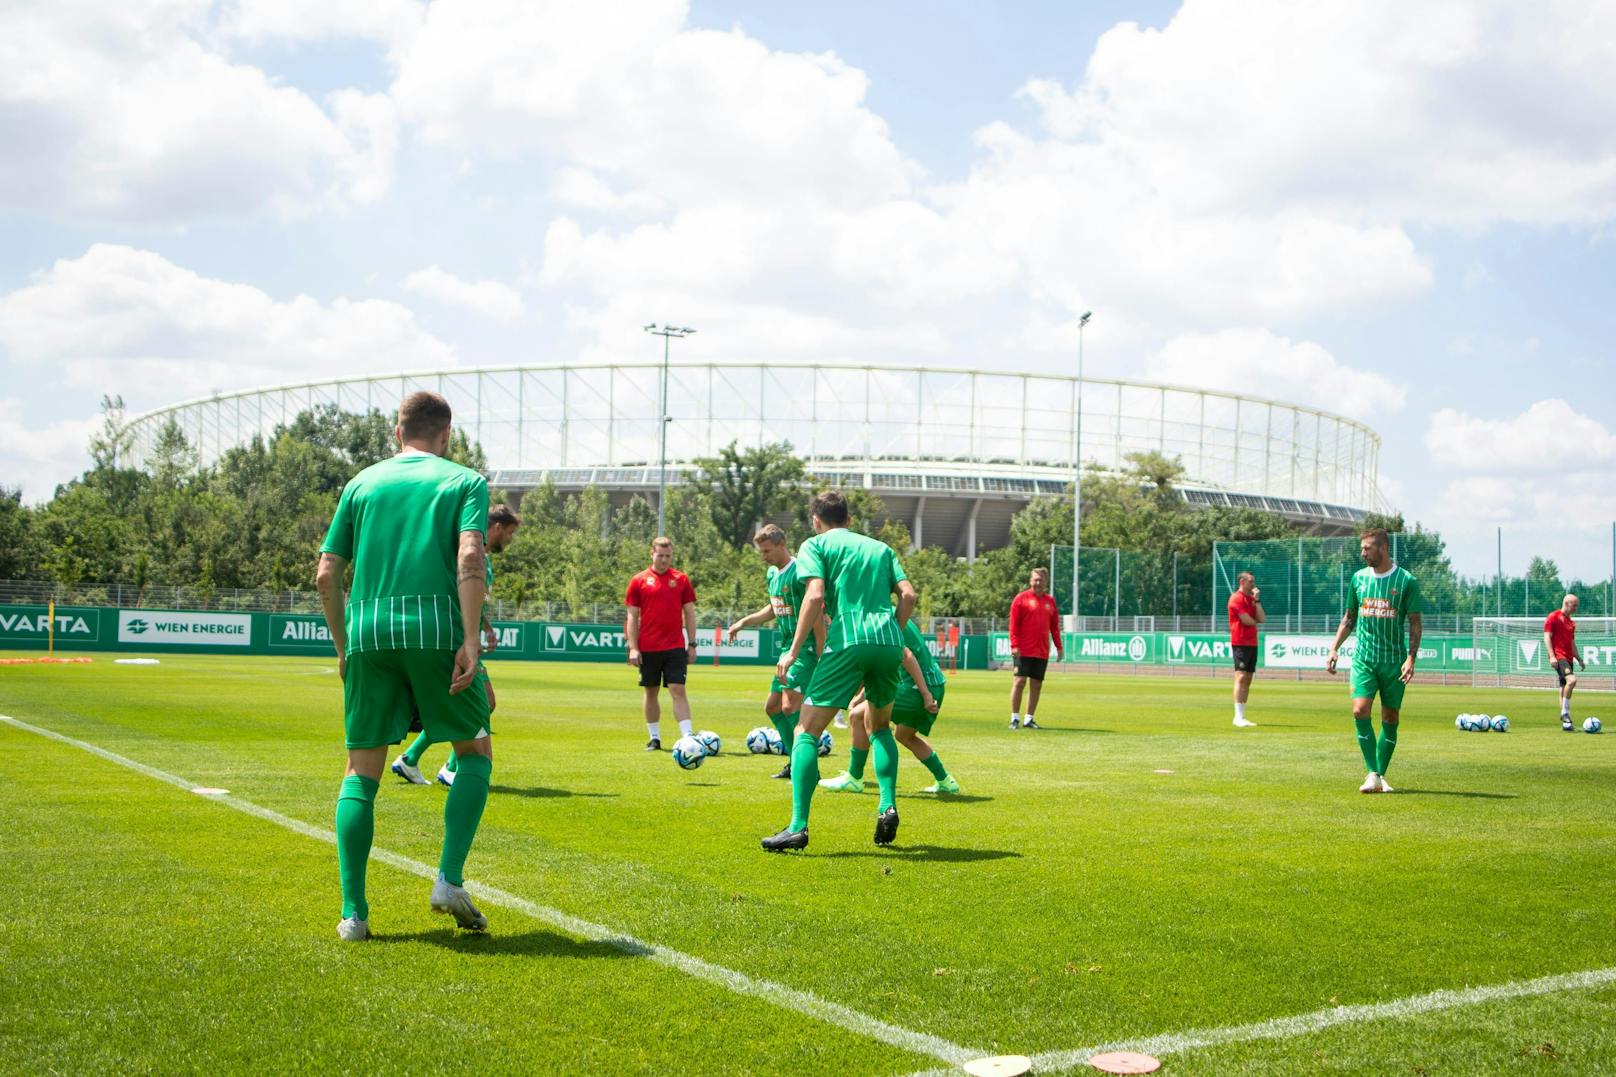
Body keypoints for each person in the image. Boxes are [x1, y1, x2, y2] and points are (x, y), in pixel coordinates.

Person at [314, 391, 495, 941]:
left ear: (398, 433)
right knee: (474, 749)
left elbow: (326, 575)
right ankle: (449, 880)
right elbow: (469, 556)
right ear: (446, 435)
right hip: (435, 628)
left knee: (359, 771)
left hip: (369, 631)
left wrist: (345, 647)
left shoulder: (360, 484)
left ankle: (354, 914)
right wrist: (470, 637)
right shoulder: (464, 481)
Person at [762, 490, 917, 851]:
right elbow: (908, 595)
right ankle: (887, 805)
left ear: (816, 521)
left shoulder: (816, 545)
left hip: (846, 639)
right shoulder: (881, 548)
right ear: (849, 519)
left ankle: (798, 826)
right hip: (889, 642)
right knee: (879, 727)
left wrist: (794, 651)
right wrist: (892, 630)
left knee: (805, 730)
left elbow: (815, 597)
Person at [391, 504, 521, 785]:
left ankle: (411, 759)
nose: (510, 540)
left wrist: (486, 627)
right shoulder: (470, 554)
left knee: (465, 704)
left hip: (464, 638)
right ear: (496, 528)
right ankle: (450, 766)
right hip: (458, 640)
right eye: (510, 533)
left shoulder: (480, 557)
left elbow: (474, 599)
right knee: (483, 703)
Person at [1326, 528, 1423, 795]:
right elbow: (1349, 617)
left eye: (1367, 548)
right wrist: (1334, 648)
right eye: (1362, 548)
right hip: (1364, 659)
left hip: (1394, 660)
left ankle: (1378, 774)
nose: (1362, 553)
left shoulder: (1406, 581)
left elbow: (1415, 623)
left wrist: (1411, 658)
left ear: (1383, 548)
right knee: (1359, 710)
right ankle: (1373, 772)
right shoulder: (1358, 579)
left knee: (1390, 716)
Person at [726, 524, 827, 780]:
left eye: (767, 551)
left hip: (802, 650)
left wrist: (820, 649)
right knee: (772, 707)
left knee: (790, 707)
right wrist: (743, 622)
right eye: (761, 552)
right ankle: (797, 763)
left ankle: (806, 768)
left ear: (782, 544)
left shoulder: (800, 572)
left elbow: (815, 610)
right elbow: (773, 608)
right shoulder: (772, 574)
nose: (764, 557)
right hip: (786, 650)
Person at [821, 617, 956, 795]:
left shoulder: (878, 619)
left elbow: (906, 655)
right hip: (933, 683)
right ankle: (946, 781)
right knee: (904, 735)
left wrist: (925, 694)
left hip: (918, 687)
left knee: (858, 716)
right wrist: (862, 695)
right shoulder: (889, 613)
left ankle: (854, 778)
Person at [626, 536, 698, 751]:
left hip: (675, 645)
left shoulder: (681, 579)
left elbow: (689, 612)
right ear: (652, 554)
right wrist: (633, 647)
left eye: (668, 556)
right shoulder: (638, 581)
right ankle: (654, 738)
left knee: (678, 688)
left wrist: (692, 643)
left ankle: (688, 737)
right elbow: (632, 616)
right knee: (651, 691)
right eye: (661, 555)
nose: (664, 560)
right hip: (648, 647)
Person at [1008, 567, 1062, 729]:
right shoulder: (1021, 599)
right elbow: (1013, 625)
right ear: (1030, 581)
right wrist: (1014, 645)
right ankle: (1014, 718)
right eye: (1035, 579)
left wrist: (1059, 647)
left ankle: (1028, 719)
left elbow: (1055, 627)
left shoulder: (1050, 601)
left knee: (1036, 684)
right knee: (1019, 681)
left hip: (1041, 651)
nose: (1038, 583)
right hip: (1022, 650)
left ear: (1045, 582)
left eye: (1041, 580)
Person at [1228, 571, 1265, 727]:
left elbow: (1261, 618)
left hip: (1252, 643)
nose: (1253, 584)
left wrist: (1257, 601)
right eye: (1251, 581)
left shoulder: (1251, 599)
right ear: (1242, 581)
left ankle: (1242, 716)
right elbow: (1248, 621)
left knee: (1248, 678)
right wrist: (1254, 619)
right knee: (1241, 676)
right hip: (1240, 642)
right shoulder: (1236, 599)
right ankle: (1237, 717)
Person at [1545, 593, 1584, 732]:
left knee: (1563, 687)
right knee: (1572, 681)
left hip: (1568, 658)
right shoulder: (1553, 617)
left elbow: (1572, 642)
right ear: (1567, 604)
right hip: (1559, 656)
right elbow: (1547, 637)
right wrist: (1552, 656)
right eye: (1574, 605)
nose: (1576, 608)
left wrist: (1578, 658)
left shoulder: (1571, 623)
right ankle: (1565, 712)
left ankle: (1566, 723)